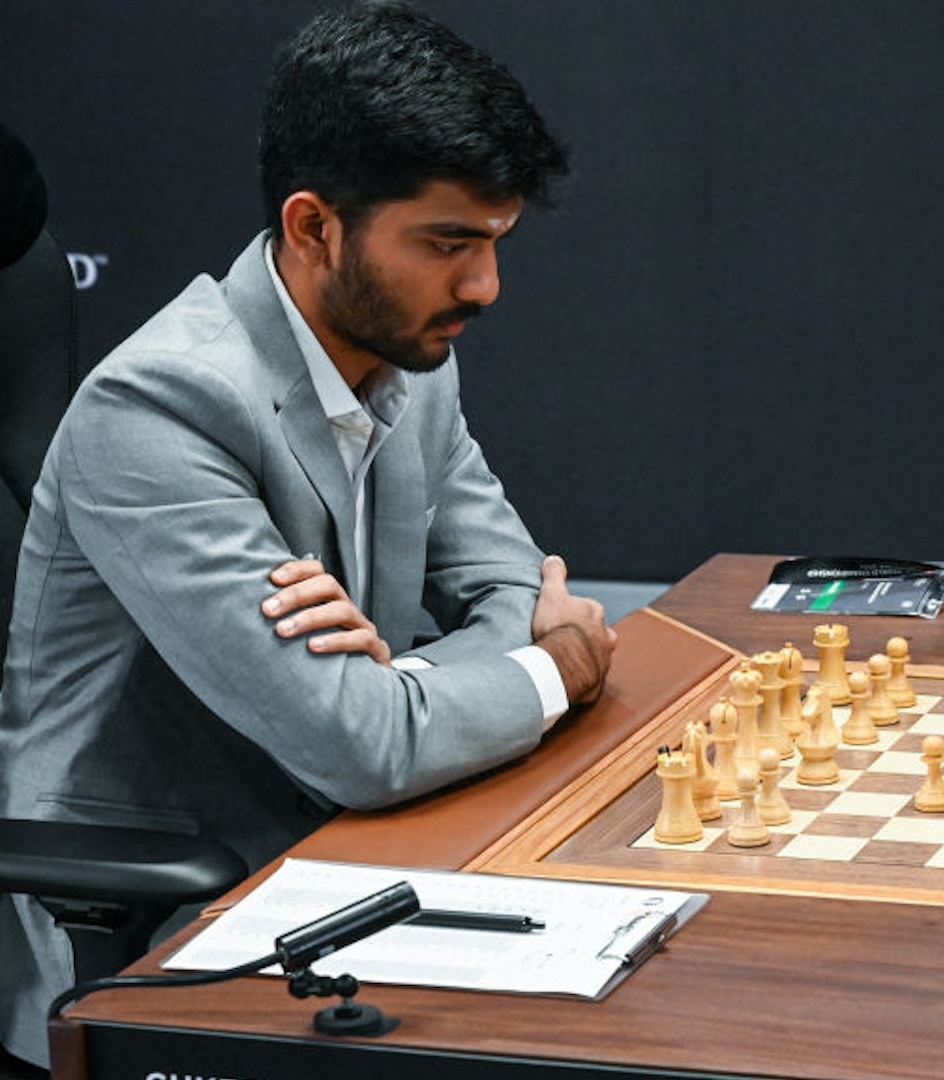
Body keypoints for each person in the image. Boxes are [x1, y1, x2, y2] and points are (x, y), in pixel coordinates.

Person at [0, 4, 618, 1069]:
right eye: (448, 244)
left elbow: (506, 587)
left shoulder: (408, 349)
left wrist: (405, 694)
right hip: (159, 923)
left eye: (494, 243)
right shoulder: (157, 409)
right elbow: (370, 740)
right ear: (312, 226)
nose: (483, 287)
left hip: (357, 851)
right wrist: (552, 670)